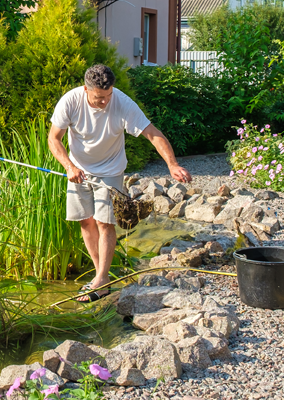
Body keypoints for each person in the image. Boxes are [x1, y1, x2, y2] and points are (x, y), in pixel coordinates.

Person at [48, 64, 192, 303]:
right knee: (86, 222)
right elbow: (54, 139)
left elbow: (153, 134)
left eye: (108, 96)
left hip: (110, 170)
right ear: (86, 89)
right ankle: (100, 277)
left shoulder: (122, 103)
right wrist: (69, 167)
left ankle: (102, 279)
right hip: (77, 169)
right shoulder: (70, 101)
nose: (104, 102)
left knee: (105, 223)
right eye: (98, 98)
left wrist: (172, 164)